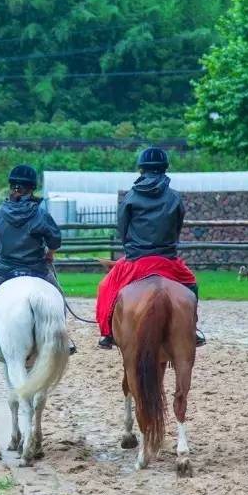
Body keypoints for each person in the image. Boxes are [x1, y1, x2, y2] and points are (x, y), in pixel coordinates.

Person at [96, 147, 206, 349]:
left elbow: (123, 228)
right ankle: (192, 328)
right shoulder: (174, 197)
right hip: (167, 260)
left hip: (137, 261)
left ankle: (107, 333)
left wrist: (131, 249)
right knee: (192, 285)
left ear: (141, 170)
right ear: (164, 169)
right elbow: (177, 226)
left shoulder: (130, 197)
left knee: (105, 288)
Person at [0, 165, 74, 355]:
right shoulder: (40, 214)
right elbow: (55, 240)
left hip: (4, 270)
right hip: (36, 269)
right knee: (57, 296)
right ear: (32, 188)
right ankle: (62, 338)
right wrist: (50, 253)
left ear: (12, 187)